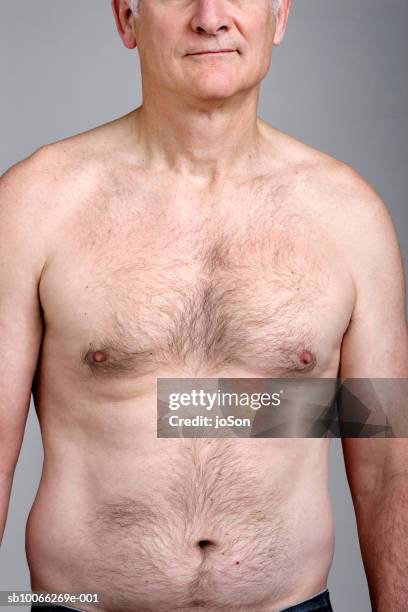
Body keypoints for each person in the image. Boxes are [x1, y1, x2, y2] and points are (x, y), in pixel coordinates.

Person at [0, 0, 407, 610]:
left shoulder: (349, 216)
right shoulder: (37, 203)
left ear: (279, 16)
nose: (211, 16)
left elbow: (387, 469)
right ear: (127, 19)